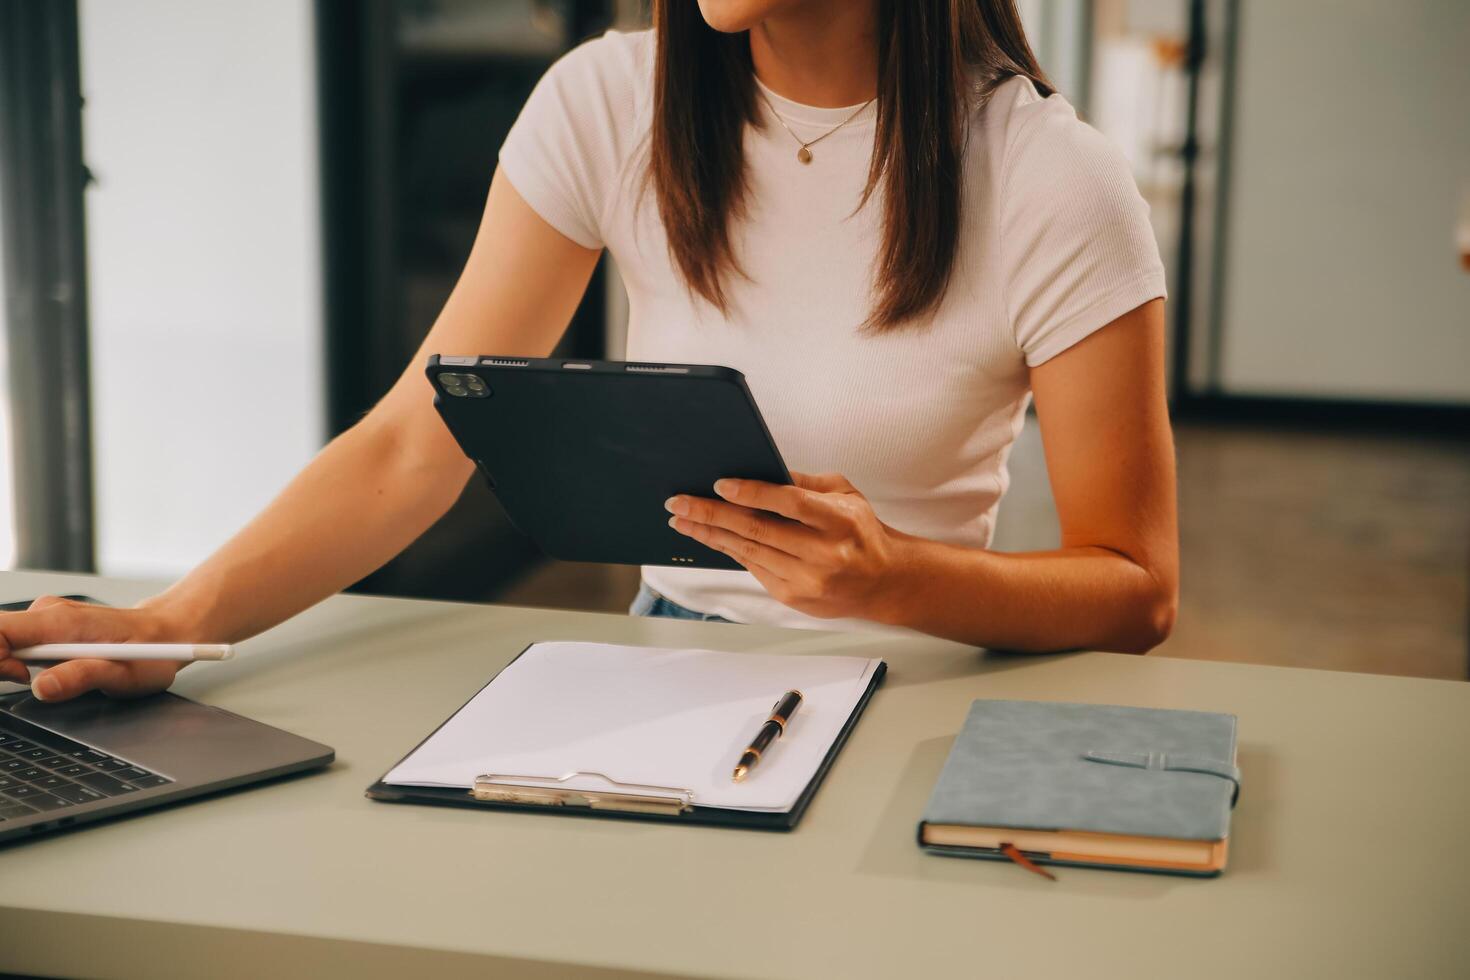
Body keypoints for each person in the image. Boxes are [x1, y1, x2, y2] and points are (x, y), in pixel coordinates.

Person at [0, 0, 1177, 703]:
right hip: (667, 659)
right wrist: (170, 623)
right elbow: (417, 441)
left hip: (922, 675)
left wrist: (894, 574)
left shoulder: (1052, 178)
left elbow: (1135, 588)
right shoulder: (609, 101)